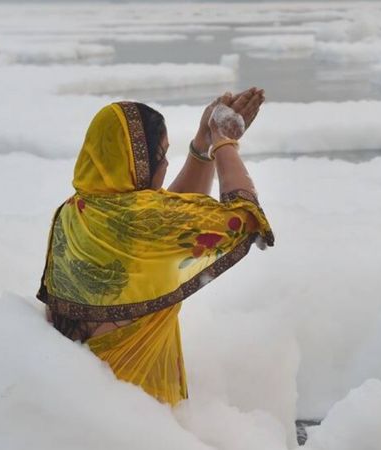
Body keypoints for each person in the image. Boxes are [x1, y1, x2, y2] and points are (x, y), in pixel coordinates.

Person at [36, 87, 274, 406]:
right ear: (135, 163)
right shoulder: (141, 221)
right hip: (137, 413)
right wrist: (224, 142)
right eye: (160, 156)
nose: (164, 166)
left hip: (80, 406)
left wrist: (202, 145)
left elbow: (164, 222)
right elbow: (245, 218)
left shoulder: (74, 212)